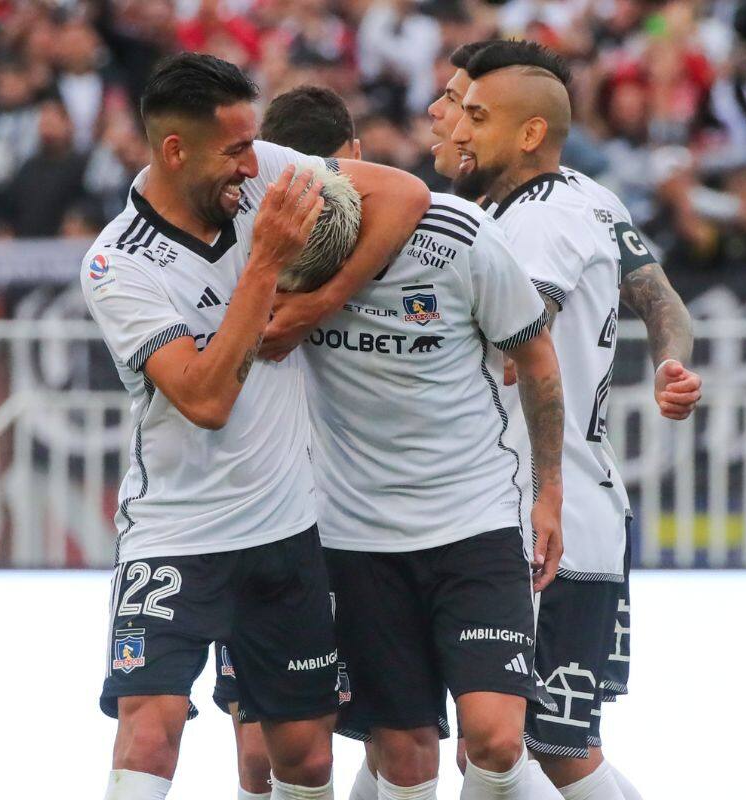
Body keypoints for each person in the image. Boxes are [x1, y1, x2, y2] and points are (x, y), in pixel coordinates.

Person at [81, 53, 431, 800]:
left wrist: (318, 301)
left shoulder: (265, 167)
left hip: (283, 530)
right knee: (151, 727)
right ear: (175, 151)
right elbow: (204, 399)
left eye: (254, 145)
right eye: (235, 149)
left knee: (301, 760)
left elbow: (404, 194)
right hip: (178, 532)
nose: (254, 163)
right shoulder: (118, 264)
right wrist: (266, 265)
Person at [220, 83, 569, 800]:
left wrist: (550, 489)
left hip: (471, 522)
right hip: (355, 539)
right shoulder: (271, 250)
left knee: (497, 740)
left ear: (354, 163)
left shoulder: (460, 235)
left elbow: (536, 359)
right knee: (403, 758)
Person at [449, 40, 702, 800]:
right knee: (540, 746)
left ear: (529, 133)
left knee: (529, 748)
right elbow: (664, 305)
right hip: (575, 508)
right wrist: (669, 361)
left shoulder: (538, 222)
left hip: (541, 518)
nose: (461, 129)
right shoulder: (592, 197)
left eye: (475, 115)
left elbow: (519, 348)